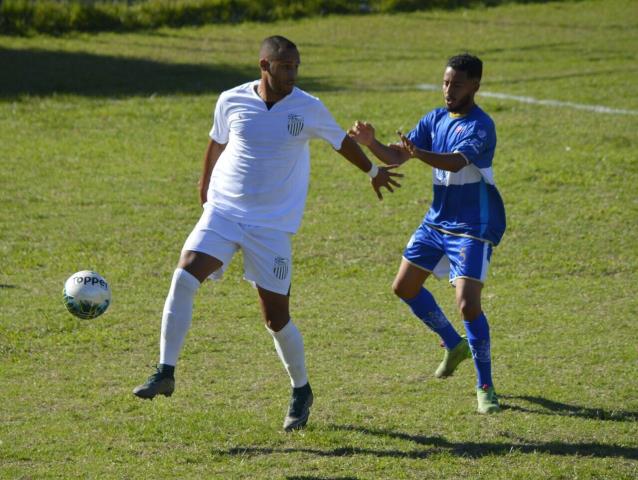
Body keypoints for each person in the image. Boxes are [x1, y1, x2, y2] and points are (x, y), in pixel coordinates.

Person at [132, 35, 401, 431]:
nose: (292, 73)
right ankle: (165, 370)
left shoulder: (308, 107)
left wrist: (374, 171)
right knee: (185, 274)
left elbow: (340, 141)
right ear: (264, 65)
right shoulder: (231, 99)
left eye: (296, 66)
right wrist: (205, 188)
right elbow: (216, 141)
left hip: (271, 227)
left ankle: (301, 389)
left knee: (276, 319)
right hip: (223, 212)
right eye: (285, 66)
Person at [348, 53, 506, 414]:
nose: (449, 90)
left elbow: (455, 160)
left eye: (457, 84)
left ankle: (485, 387)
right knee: (404, 287)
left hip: (473, 226)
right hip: (437, 221)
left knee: (467, 303)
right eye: (446, 82)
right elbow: (397, 155)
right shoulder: (434, 118)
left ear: (475, 86)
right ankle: (454, 344)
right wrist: (371, 143)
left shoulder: (481, 126)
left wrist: (420, 153)